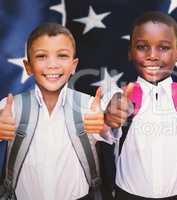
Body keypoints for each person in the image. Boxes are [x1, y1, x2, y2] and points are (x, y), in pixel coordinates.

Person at [102, 11, 177, 199]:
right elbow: (101, 130)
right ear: (130, 52)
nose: (152, 55)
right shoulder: (117, 98)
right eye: (142, 47)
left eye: (164, 48)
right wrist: (108, 118)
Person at [0, 23, 111, 200]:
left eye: (62, 56)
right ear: (28, 67)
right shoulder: (10, 107)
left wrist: (106, 124)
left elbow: (111, 130)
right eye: (42, 56)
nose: (52, 64)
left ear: (74, 65)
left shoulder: (90, 106)